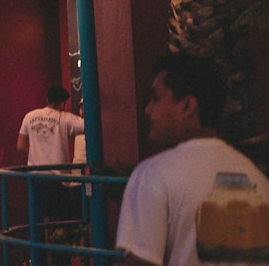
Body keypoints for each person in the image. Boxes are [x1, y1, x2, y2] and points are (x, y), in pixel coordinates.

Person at [116, 51, 269, 266]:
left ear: (188, 105)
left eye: (156, 98)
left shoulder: (153, 175)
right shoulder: (258, 180)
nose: (148, 110)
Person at [17, 85, 85, 220]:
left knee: (41, 221)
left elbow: (20, 146)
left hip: (35, 179)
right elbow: (88, 126)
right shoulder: (64, 118)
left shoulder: (30, 116)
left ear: (47, 100)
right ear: (62, 103)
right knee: (65, 220)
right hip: (58, 180)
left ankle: (43, 241)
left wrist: (38, 151)